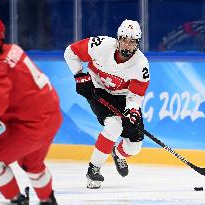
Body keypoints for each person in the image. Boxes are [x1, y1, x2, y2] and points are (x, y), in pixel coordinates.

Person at [0, 14, 62, 205]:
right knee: (31, 164)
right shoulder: (15, 50)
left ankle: (17, 201)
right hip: (52, 118)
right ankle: (48, 201)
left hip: (31, 126)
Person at [64, 19, 150, 189]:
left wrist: (132, 111)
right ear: (118, 39)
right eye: (124, 39)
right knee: (114, 125)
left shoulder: (141, 65)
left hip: (123, 96)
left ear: (137, 43)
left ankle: (118, 153)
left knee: (134, 147)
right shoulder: (101, 45)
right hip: (97, 88)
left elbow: (135, 96)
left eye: (132, 42)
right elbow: (70, 52)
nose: (127, 45)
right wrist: (79, 76)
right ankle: (93, 169)